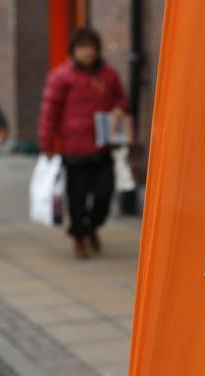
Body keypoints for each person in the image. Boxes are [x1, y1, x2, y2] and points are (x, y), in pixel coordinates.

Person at [38, 28, 128, 259]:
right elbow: (49, 111)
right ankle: (79, 237)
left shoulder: (108, 75)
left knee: (104, 195)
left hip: (103, 146)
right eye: (81, 48)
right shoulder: (61, 76)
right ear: (73, 51)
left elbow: (121, 98)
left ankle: (92, 227)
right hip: (74, 148)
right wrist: (46, 143)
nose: (87, 53)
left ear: (97, 50)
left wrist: (119, 109)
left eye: (90, 47)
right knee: (77, 198)